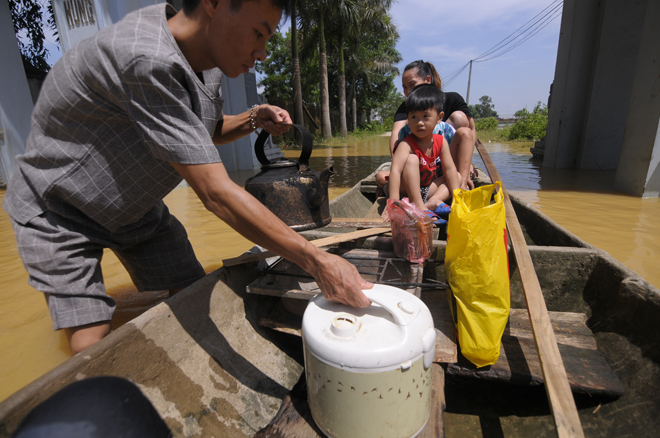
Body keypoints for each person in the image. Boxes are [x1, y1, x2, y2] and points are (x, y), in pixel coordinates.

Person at [2, 0, 372, 356]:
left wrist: (252, 118)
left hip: (136, 207)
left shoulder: (206, 60)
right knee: (92, 342)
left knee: (192, 292)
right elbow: (215, 193)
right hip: (61, 211)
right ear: (214, 3)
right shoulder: (146, 57)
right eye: (258, 33)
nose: (261, 52)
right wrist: (318, 261)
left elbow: (203, 132)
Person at [377, 60, 476, 194]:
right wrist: (399, 164)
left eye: (411, 85)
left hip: (447, 160)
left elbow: (471, 131)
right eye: (404, 87)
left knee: (463, 127)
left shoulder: (450, 106)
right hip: (419, 163)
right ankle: (424, 195)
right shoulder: (407, 109)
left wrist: (467, 163)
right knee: (382, 176)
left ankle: (462, 186)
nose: (407, 91)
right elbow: (396, 135)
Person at [386, 85, 460, 216]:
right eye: (414, 117)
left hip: (425, 189)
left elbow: (449, 169)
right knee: (412, 159)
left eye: (425, 116)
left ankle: (433, 201)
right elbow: (395, 171)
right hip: (406, 189)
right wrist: (393, 203)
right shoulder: (406, 144)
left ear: (439, 117)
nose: (419, 122)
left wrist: (458, 198)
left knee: (457, 177)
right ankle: (418, 205)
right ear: (408, 119)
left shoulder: (440, 141)